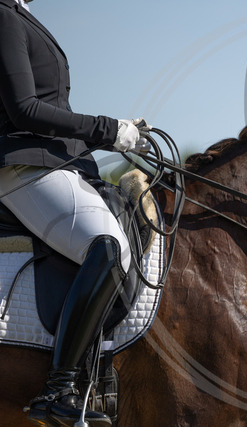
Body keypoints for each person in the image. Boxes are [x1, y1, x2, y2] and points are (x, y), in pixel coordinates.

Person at [0, 1, 144, 425]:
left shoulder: (20, 14)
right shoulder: (3, 14)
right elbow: (24, 109)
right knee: (109, 247)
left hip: (56, 163)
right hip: (25, 167)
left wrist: (110, 136)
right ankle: (58, 389)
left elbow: (52, 110)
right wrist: (106, 129)